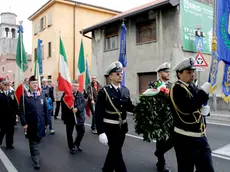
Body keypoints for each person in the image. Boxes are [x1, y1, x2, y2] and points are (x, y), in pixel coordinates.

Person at [170, 57, 214, 172]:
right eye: (189, 72)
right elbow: (187, 107)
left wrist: (205, 111)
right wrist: (203, 93)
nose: (192, 75)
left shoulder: (192, 86)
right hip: (185, 139)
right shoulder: (176, 88)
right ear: (179, 74)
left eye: (193, 72)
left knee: (207, 169)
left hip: (200, 137)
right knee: (186, 169)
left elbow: (197, 106)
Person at [95, 61, 134, 172]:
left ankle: (107, 169)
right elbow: (98, 113)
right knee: (115, 151)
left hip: (122, 128)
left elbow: (130, 107)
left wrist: (142, 108)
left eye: (121, 73)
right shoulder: (104, 92)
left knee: (115, 151)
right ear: (110, 76)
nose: (120, 75)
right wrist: (101, 131)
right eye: (117, 74)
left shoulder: (125, 90)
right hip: (110, 128)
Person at [19, 75, 49, 170]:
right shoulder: (24, 97)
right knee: (33, 142)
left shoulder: (42, 95)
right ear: (29, 84)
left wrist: (47, 122)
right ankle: (36, 161)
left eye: (36, 83)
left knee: (38, 139)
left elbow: (46, 110)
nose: (35, 85)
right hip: (30, 124)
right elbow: (21, 111)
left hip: (40, 123)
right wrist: (24, 123)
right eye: (33, 83)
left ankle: (33, 153)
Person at [149, 62, 173, 172]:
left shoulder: (171, 86)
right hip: (159, 119)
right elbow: (149, 102)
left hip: (170, 119)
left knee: (174, 139)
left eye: (169, 71)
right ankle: (161, 164)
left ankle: (159, 153)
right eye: (165, 71)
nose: (168, 73)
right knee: (161, 141)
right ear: (159, 73)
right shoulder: (154, 85)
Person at [62, 80, 86, 154]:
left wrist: (77, 108)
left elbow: (83, 103)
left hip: (79, 117)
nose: (76, 88)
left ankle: (77, 143)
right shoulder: (66, 94)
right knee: (69, 133)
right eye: (74, 86)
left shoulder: (80, 94)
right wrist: (70, 109)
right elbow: (63, 105)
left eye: (77, 86)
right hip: (70, 117)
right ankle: (71, 146)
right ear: (71, 86)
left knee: (82, 131)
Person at [0, 79, 18, 149]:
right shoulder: (0, 94)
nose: (7, 87)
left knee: (10, 131)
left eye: (8, 85)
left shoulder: (12, 93)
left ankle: (9, 144)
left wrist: (16, 113)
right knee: (3, 130)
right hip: (3, 116)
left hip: (11, 116)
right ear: (2, 86)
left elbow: (15, 104)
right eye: (5, 85)